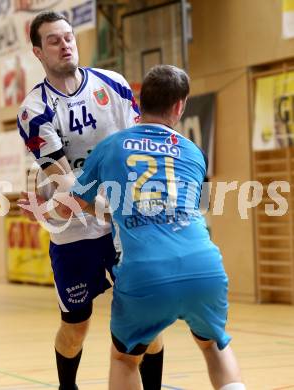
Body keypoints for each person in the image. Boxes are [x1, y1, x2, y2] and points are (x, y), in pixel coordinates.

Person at [60, 65, 246, 390]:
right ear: (179, 107)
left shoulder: (110, 146)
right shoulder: (194, 152)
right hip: (203, 266)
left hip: (145, 273)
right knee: (215, 347)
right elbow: (198, 207)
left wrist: (108, 212)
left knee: (125, 359)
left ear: (138, 101)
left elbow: (69, 204)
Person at [17, 11, 163, 390]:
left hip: (124, 226)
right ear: (37, 51)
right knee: (76, 325)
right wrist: (108, 206)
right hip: (75, 231)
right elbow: (66, 183)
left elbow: (137, 150)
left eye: (68, 37)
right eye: (54, 40)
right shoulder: (35, 111)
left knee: (146, 314)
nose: (65, 44)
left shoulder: (113, 85)